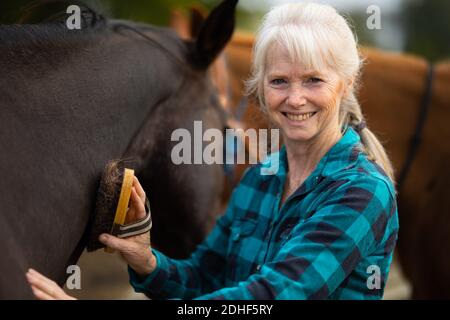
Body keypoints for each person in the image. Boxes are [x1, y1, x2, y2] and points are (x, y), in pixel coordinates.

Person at [26, 2, 399, 300]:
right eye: (279, 81)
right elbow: (204, 276)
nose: (295, 98)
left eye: (314, 80)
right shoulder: (262, 176)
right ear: (261, 89)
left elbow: (268, 297)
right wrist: (148, 262)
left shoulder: (362, 190)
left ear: (346, 83)